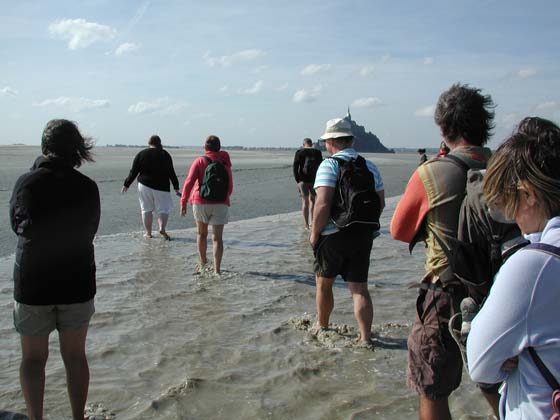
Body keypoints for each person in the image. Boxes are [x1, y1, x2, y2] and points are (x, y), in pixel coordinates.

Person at [391, 83, 495, 420]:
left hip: (447, 294)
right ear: (485, 124)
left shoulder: (433, 171)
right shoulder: (507, 167)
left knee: (432, 387)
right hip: (503, 291)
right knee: (500, 383)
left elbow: (399, 230)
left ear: (443, 127)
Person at [467, 117, 560, 419]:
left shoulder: (533, 265)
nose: (513, 218)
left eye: (508, 203)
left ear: (530, 194)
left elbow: (482, 365)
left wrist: (513, 354)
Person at [9, 119, 100, 420]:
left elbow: (17, 226)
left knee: (33, 360)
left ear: (45, 147)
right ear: (77, 149)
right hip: (77, 282)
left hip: (33, 283)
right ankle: (78, 417)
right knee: (75, 357)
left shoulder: (27, 182)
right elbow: (91, 230)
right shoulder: (87, 187)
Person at [310, 117, 385, 345]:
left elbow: (322, 204)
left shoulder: (329, 165)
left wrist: (314, 234)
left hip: (333, 235)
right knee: (360, 289)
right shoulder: (370, 166)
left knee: (324, 284)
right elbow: (380, 203)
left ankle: (322, 326)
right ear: (351, 140)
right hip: (363, 236)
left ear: (331, 141)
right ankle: (365, 337)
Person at [181, 135, 233, 275]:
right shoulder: (225, 162)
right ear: (219, 147)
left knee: (201, 234)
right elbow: (230, 188)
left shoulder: (199, 161)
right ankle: (217, 270)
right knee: (217, 239)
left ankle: (203, 262)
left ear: (205, 148)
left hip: (200, 202)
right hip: (220, 203)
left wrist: (184, 201)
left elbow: (189, 182)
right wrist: (222, 198)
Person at [122, 135, 180, 240]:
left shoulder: (142, 154)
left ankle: (148, 233)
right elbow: (171, 172)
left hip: (144, 185)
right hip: (162, 187)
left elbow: (134, 171)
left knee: (146, 209)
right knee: (163, 209)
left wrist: (127, 184)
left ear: (149, 143)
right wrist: (176, 186)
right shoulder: (165, 154)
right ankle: (162, 228)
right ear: (159, 143)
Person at [293, 138, 323, 229]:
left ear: (304, 144)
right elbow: (321, 166)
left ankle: (306, 225)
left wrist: (298, 181)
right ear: (311, 144)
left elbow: (295, 167)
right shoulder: (317, 152)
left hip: (303, 180)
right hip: (314, 180)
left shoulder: (299, 152)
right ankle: (313, 222)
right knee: (313, 200)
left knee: (305, 201)